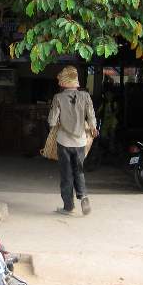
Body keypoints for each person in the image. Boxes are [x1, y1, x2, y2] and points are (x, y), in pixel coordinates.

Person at [48, 66, 98, 216]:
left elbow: (52, 121)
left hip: (63, 141)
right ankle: (83, 196)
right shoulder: (85, 96)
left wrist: (56, 122)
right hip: (81, 142)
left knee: (66, 174)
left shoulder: (58, 97)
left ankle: (69, 207)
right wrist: (93, 128)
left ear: (63, 83)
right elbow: (91, 116)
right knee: (79, 171)